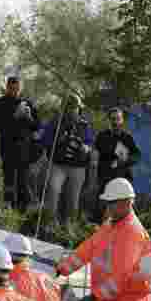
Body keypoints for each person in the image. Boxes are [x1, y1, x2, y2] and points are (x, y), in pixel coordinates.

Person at [56, 178, 151, 301]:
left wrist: (95, 296)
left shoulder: (132, 233)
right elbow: (87, 250)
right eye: (108, 203)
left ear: (128, 202)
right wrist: (62, 267)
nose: (108, 208)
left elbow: (121, 276)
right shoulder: (110, 225)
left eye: (112, 204)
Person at [40, 95, 95, 225]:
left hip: (78, 167)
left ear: (78, 109)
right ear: (63, 109)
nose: (71, 111)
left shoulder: (84, 125)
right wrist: (58, 139)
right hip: (57, 165)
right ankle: (51, 223)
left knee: (73, 198)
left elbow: (90, 144)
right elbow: (44, 140)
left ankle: (69, 227)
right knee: (53, 191)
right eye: (68, 108)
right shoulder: (55, 122)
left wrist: (86, 148)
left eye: (74, 108)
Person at [0, 73, 42, 210]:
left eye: (17, 89)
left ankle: (22, 209)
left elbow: (37, 126)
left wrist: (29, 117)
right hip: (7, 146)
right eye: (12, 88)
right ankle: (7, 206)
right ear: (7, 88)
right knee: (8, 177)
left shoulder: (28, 103)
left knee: (23, 180)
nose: (14, 91)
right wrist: (15, 116)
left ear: (21, 88)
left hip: (25, 148)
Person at [93, 108, 140, 222]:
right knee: (103, 210)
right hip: (106, 178)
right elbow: (94, 155)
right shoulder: (101, 136)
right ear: (109, 120)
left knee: (123, 213)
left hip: (123, 179)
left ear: (122, 120)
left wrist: (125, 160)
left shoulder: (127, 137)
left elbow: (137, 156)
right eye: (113, 119)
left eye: (118, 119)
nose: (115, 122)